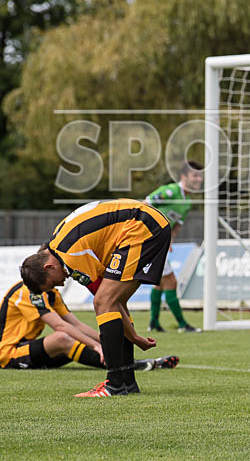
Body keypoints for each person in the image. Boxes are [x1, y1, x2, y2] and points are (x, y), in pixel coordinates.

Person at [19, 199, 170, 396]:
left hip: (141, 226)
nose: (61, 284)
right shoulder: (61, 245)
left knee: (103, 302)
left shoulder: (70, 256)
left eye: (53, 283)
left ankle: (114, 385)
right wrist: (134, 337)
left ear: (49, 267)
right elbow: (114, 303)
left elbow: (103, 301)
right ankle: (127, 382)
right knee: (110, 301)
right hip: (147, 222)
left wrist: (134, 337)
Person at [1, 277, 178, 372]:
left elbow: (76, 325)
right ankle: (130, 366)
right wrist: (95, 345)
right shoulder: (29, 293)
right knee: (61, 338)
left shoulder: (52, 292)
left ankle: (129, 362)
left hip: (27, 348)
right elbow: (60, 327)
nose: (66, 273)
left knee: (75, 337)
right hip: (8, 353)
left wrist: (109, 342)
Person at [144, 160, 204, 333]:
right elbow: (145, 204)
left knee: (160, 283)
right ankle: (182, 325)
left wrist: (169, 240)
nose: (199, 179)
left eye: (200, 176)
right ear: (183, 177)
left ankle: (153, 323)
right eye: (195, 175)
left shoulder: (187, 202)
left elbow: (176, 226)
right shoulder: (171, 191)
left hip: (159, 243)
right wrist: (149, 231)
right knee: (171, 281)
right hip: (150, 240)